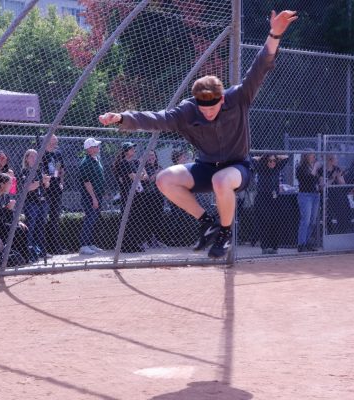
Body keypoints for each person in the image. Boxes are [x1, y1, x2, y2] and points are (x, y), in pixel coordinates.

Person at [98, 10, 299, 258]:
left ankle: (224, 233)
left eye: (213, 107)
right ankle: (207, 222)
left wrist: (275, 33)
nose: (208, 113)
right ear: (195, 102)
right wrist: (122, 117)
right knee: (164, 179)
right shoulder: (187, 111)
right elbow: (157, 119)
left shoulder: (239, 97)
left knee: (222, 181)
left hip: (238, 168)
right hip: (205, 167)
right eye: (203, 109)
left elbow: (260, 66)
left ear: (222, 98)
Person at [0, 173, 29, 264]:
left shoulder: (4, 196)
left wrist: (17, 222)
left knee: (23, 228)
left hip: (2, 224)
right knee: (17, 230)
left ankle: (23, 257)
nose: (11, 185)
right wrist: (7, 209)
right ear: (2, 184)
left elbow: (8, 216)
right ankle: (16, 257)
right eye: (9, 183)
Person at [112, 142, 149, 253]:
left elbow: (145, 176)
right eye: (131, 149)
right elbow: (134, 176)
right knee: (128, 219)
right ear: (126, 151)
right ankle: (125, 245)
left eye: (134, 148)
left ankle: (134, 244)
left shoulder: (136, 162)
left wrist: (141, 173)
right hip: (127, 194)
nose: (134, 150)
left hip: (138, 194)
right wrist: (140, 175)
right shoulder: (123, 163)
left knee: (136, 219)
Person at [252, 154, 288, 254]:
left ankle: (274, 246)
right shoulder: (261, 169)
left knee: (275, 221)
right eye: (270, 161)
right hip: (263, 198)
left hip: (274, 199)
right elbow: (252, 159)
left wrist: (276, 156)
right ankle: (265, 246)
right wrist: (262, 157)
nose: (272, 163)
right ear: (265, 161)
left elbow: (287, 158)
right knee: (265, 221)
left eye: (274, 161)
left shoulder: (277, 168)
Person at [21, 149, 50, 261]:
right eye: (32, 157)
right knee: (31, 227)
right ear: (27, 159)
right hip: (31, 203)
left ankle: (41, 252)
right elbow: (28, 187)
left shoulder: (39, 170)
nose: (34, 159)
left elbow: (46, 186)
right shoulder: (25, 171)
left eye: (36, 156)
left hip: (42, 202)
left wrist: (46, 181)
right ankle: (29, 252)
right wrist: (41, 182)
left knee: (41, 227)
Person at [79, 138, 106, 255]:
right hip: (90, 196)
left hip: (98, 195)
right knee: (90, 219)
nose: (98, 147)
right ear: (89, 149)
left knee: (94, 219)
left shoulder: (97, 159)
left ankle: (90, 243)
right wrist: (94, 198)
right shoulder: (86, 162)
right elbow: (87, 182)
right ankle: (84, 245)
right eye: (95, 146)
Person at [41, 134, 66, 254]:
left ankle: (55, 247)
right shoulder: (41, 153)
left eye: (56, 142)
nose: (55, 144)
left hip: (56, 188)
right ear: (47, 141)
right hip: (45, 189)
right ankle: (43, 248)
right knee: (43, 218)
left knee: (55, 218)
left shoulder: (57, 154)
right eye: (53, 142)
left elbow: (59, 168)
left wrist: (60, 182)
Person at [296, 150, 322, 252]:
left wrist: (321, 183)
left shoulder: (315, 168)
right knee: (305, 220)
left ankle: (306, 242)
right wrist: (315, 168)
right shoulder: (300, 168)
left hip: (315, 195)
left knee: (312, 221)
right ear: (306, 156)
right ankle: (301, 244)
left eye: (314, 155)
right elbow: (308, 179)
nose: (314, 157)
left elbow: (317, 179)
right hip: (305, 195)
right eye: (312, 155)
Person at [321, 154, 351, 234]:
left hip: (338, 195)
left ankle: (342, 232)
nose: (337, 161)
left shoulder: (337, 169)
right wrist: (333, 177)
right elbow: (324, 186)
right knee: (328, 216)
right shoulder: (322, 170)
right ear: (330, 161)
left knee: (341, 214)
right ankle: (329, 233)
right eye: (336, 159)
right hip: (327, 196)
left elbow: (343, 184)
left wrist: (338, 177)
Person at [144, 150, 166, 248]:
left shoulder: (159, 167)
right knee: (148, 218)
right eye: (149, 156)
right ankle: (147, 240)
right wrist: (157, 173)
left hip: (159, 196)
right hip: (148, 196)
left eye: (152, 155)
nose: (151, 157)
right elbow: (149, 179)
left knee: (158, 218)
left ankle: (156, 240)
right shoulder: (144, 168)